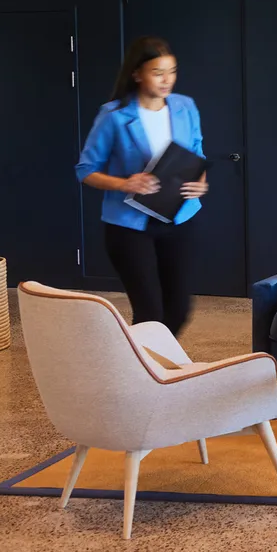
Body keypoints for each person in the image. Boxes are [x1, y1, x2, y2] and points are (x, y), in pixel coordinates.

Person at [75, 36, 208, 336]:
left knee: (178, 309)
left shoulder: (185, 106)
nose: (167, 80)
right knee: (150, 312)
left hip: (180, 218)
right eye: (157, 72)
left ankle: (153, 364)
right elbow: (85, 170)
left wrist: (200, 181)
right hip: (129, 227)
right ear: (137, 73)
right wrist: (125, 183)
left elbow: (197, 150)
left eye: (172, 71)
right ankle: (148, 376)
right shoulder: (114, 115)